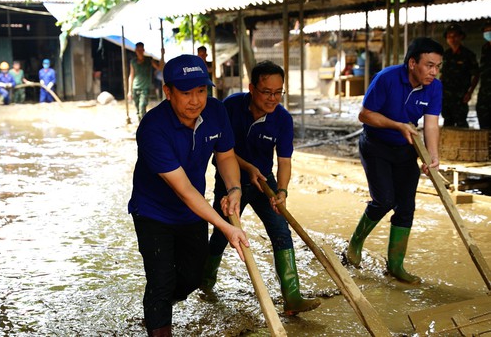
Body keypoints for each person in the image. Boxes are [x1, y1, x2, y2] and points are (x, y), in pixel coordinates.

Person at [128, 54, 249, 336]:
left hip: (192, 212)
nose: (195, 100)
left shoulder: (217, 112)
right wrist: (226, 227)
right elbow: (183, 190)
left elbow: (227, 156)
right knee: (161, 280)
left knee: (192, 277)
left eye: (201, 91)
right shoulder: (153, 128)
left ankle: (157, 306)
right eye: (186, 93)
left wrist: (234, 189)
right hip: (153, 212)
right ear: (167, 92)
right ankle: (158, 317)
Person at [201, 60, 321, 315]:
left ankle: (292, 298)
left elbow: (285, 161)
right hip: (230, 181)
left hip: (264, 180)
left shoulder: (282, 119)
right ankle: (205, 283)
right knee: (223, 235)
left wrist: (282, 192)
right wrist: (247, 168)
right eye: (267, 92)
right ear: (252, 88)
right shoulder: (230, 107)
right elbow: (220, 150)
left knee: (281, 230)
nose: (273, 98)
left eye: (278, 92)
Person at [345, 37, 444, 284]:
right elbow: (364, 115)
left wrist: (433, 156)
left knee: (406, 207)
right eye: (429, 65)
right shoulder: (387, 78)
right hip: (376, 146)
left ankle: (396, 265)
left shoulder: (435, 87)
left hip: (406, 150)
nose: (434, 72)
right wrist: (397, 125)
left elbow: (431, 124)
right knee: (384, 200)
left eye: (437, 66)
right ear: (412, 63)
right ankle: (355, 243)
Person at [440, 24, 479, 128]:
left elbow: (476, 75)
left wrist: (469, 92)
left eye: (455, 36)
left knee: (461, 122)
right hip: (446, 96)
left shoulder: (468, 55)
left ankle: (463, 144)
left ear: (461, 37)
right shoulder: (446, 55)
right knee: (447, 122)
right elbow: (442, 74)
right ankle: (447, 144)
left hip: (460, 96)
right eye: (449, 36)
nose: (452, 39)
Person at [128, 42, 163, 121]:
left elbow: (160, 68)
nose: (140, 51)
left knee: (142, 107)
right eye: (138, 49)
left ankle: (144, 126)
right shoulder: (133, 62)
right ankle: (141, 125)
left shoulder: (149, 60)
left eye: (141, 49)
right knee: (138, 110)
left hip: (145, 88)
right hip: (135, 87)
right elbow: (131, 75)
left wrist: (162, 55)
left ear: (143, 50)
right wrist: (129, 91)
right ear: (135, 50)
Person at [477, 19, 491, 129]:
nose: (488, 33)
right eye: (486, 31)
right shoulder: (485, 48)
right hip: (485, 91)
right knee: (484, 121)